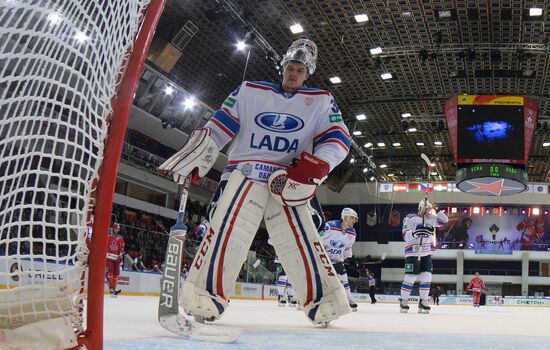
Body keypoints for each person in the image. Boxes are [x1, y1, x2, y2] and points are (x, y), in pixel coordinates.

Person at [159, 38, 351, 327]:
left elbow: (338, 138)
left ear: (308, 73)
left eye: (300, 69)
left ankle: (324, 304)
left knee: (303, 241)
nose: (294, 73)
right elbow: (220, 125)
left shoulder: (321, 100)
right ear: (283, 66)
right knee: (224, 235)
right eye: (290, 66)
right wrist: (200, 153)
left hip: (288, 180)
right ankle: (203, 299)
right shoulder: (249, 91)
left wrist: (318, 166)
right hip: (244, 173)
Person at [399, 199, 448, 314]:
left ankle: (423, 301)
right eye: (427, 209)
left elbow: (444, 221)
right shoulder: (410, 218)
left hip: (427, 252)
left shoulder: (432, 218)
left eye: (430, 209)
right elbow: (405, 235)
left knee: (427, 277)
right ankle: (404, 301)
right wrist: (415, 233)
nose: (429, 211)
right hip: (412, 252)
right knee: (410, 278)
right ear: (421, 208)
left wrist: (437, 210)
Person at [320, 208, 359, 311]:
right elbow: (316, 239)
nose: (354, 221)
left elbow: (347, 248)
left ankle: (349, 299)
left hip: (336, 260)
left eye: (355, 219)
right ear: (345, 217)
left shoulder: (352, 233)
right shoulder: (329, 226)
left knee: (344, 278)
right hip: (322, 259)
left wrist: (349, 257)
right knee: (320, 280)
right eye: (352, 218)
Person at [106, 223, 124, 297]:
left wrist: (121, 254)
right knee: (111, 272)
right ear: (113, 228)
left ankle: (113, 289)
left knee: (116, 274)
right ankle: (111, 290)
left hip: (117, 258)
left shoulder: (120, 238)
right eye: (116, 228)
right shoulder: (109, 237)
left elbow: (122, 248)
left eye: (118, 228)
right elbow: (106, 247)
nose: (117, 230)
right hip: (110, 257)